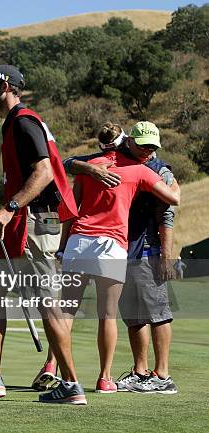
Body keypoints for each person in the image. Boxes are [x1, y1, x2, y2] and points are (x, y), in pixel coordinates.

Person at [0, 64, 86, 404]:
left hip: (34, 222)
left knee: (48, 306)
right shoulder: (14, 124)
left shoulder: (23, 122)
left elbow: (45, 173)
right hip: (26, 221)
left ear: (4, 86)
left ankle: (71, 384)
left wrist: (9, 207)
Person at [53, 121, 180, 396]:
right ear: (128, 141)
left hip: (102, 245)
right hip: (115, 248)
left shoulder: (107, 165)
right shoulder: (137, 170)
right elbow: (173, 199)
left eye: (152, 147)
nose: (148, 151)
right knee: (116, 316)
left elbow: (69, 202)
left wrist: (166, 256)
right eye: (143, 145)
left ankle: (159, 375)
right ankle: (112, 377)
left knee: (69, 312)